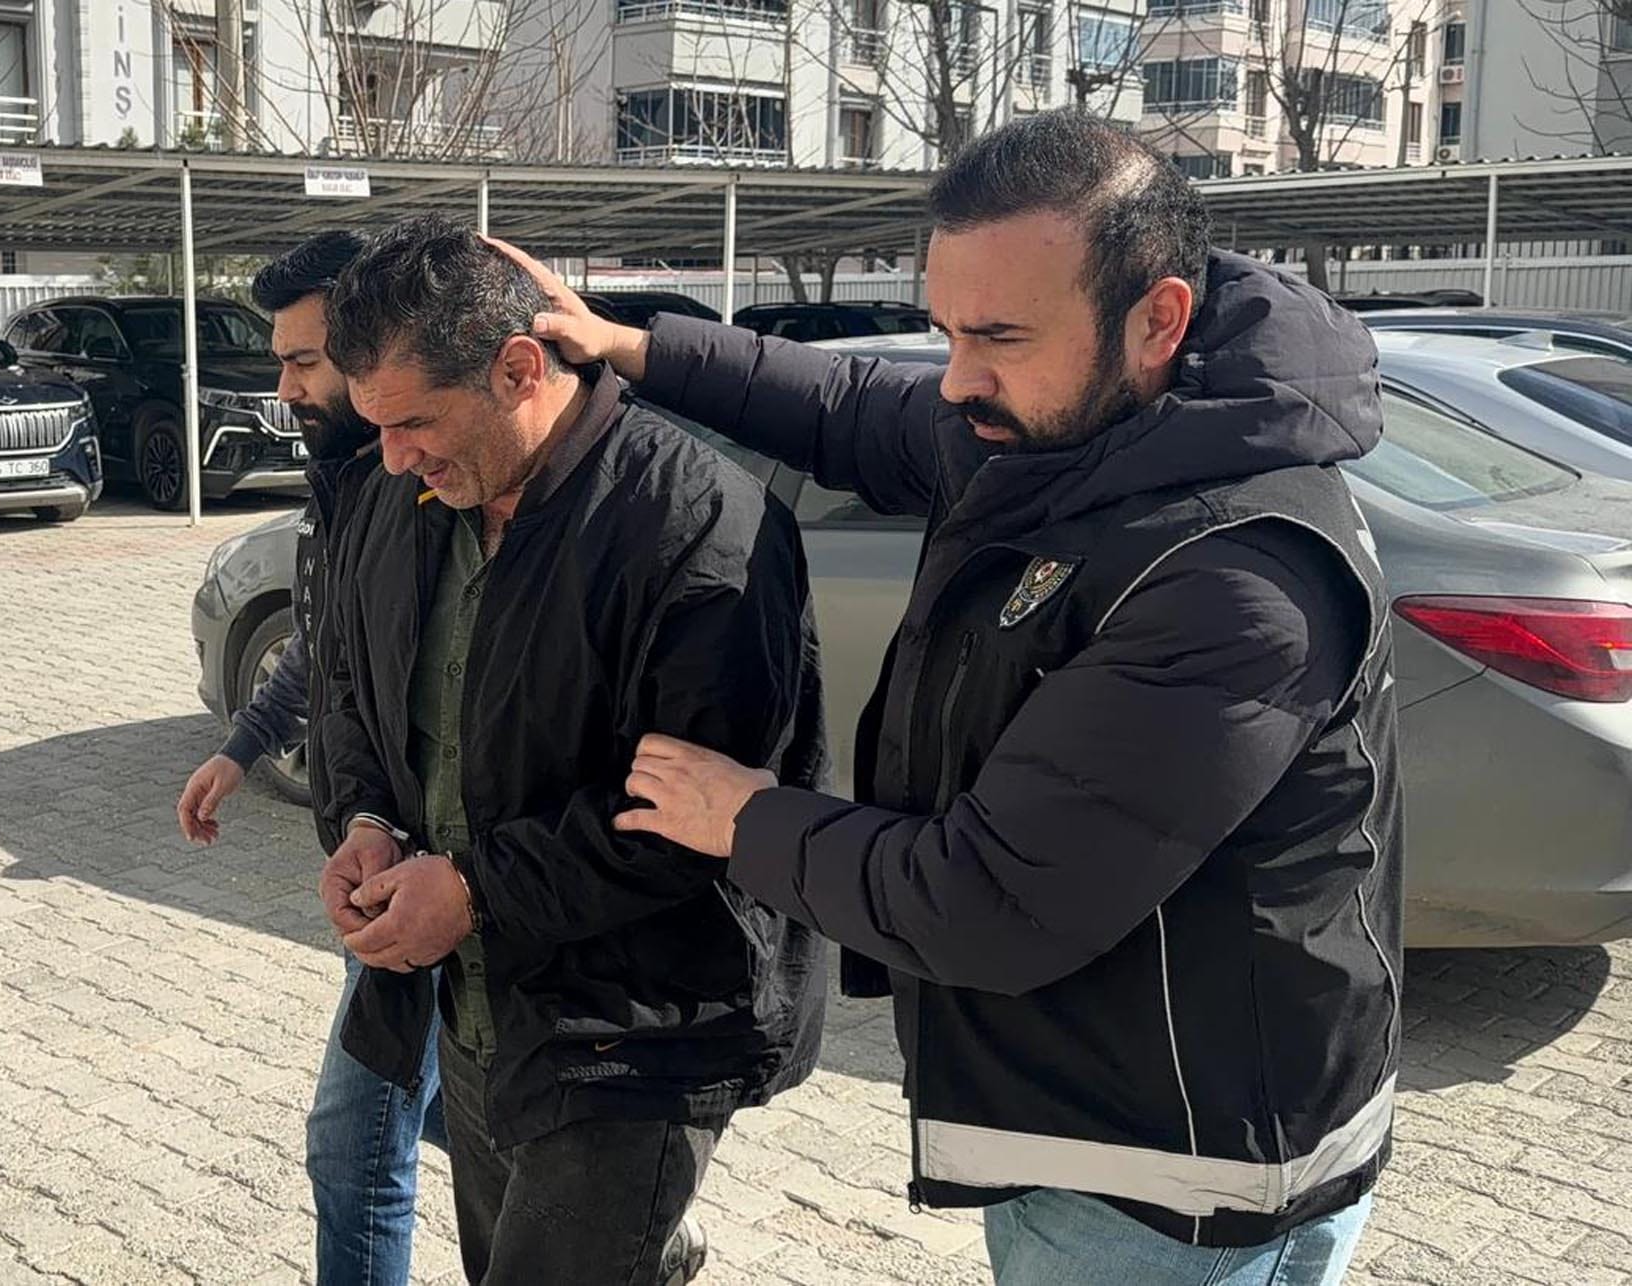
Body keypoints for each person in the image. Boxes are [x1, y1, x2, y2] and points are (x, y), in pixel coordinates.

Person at [508, 110, 1401, 1286]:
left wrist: (745, 818)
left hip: (1172, 1191)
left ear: (1157, 319)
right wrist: (629, 345)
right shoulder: (1075, 432)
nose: (957, 378)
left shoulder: (1229, 577)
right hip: (1092, 1125)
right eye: (945, 331)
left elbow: (989, 898)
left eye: (997, 337)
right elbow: (848, 409)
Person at [312, 216, 828, 1286]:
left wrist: (473, 889)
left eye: (414, 421)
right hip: (470, 1013)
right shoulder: (399, 498)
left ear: (517, 369)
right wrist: (365, 818)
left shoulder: (700, 522)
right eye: (377, 426)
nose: (394, 456)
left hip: (633, 1035)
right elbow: (351, 688)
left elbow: (695, 821)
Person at [172, 230, 445, 1286]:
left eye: (302, 361)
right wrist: (243, 746)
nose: (283, 387)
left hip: (424, 871)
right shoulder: (341, 477)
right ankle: (623, 1213)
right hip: (366, 854)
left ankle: (619, 1211)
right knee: (437, 1102)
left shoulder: (425, 490)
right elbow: (327, 646)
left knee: (353, 1146)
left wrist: (404, 836)